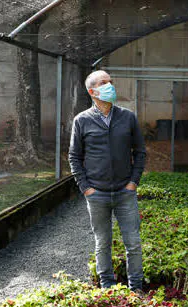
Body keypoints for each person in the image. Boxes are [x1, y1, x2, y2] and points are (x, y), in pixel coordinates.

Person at [68, 70, 146, 292]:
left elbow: (140, 151)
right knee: (102, 243)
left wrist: (133, 182)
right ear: (92, 92)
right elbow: (74, 157)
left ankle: (136, 288)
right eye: (104, 83)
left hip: (124, 192)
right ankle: (108, 287)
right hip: (97, 194)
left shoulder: (127, 117)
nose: (110, 85)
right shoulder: (82, 120)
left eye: (110, 81)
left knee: (133, 243)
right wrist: (86, 188)